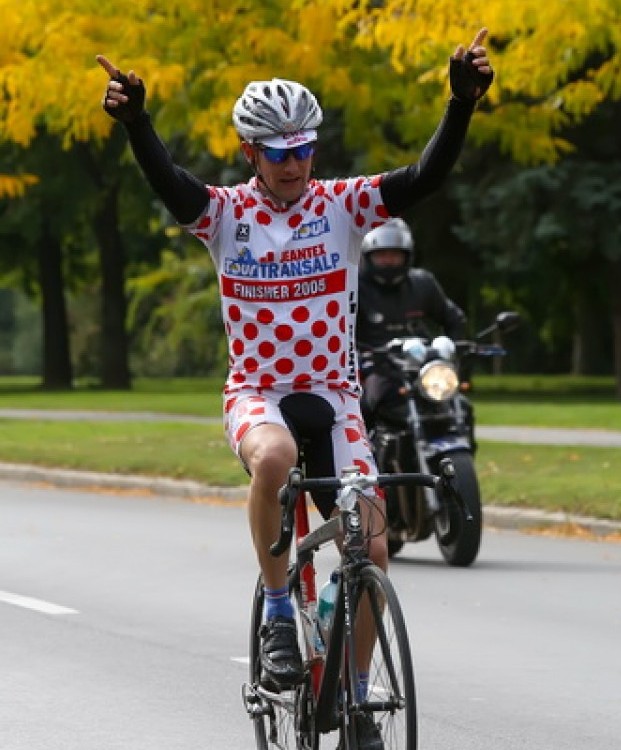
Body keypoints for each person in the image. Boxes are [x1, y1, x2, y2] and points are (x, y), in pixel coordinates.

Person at [96, 28, 492, 749]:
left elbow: (423, 179)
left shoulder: (342, 204)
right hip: (259, 391)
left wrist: (459, 104)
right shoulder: (225, 215)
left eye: (305, 149)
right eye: (279, 154)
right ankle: (280, 611)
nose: (295, 164)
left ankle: (355, 695)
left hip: (336, 396)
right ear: (252, 153)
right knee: (274, 459)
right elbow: (169, 183)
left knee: (370, 550)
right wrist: (137, 124)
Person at [356, 217, 472, 433]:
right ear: (368, 257)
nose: (389, 261)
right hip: (377, 369)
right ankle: (365, 458)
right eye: (382, 256)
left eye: (395, 255)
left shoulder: (422, 283)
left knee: (462, 407)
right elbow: (337, 329)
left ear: (407, 256)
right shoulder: (353, 287)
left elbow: (454, 319)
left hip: (422, 369)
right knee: (365, 407)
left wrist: (454, 350)